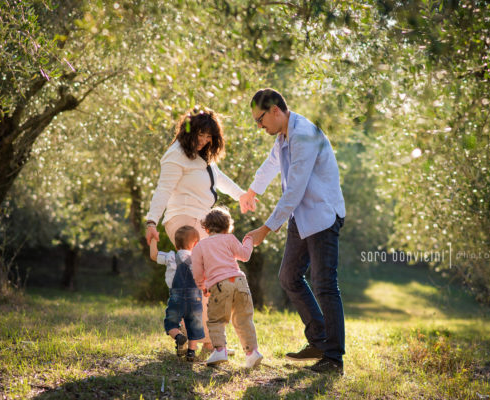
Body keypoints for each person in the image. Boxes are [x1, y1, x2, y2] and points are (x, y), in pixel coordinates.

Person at [242, 88, 346, 374]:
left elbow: (296, 189)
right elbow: (271, 165)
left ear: (276, 110)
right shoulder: (283, 136)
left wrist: (265, 229)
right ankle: (319, 340)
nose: (259, 126)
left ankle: (334, 358)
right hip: (302, 218)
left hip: (322, 216)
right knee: (289, 277)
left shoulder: (303, 135)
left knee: (325, 284)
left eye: (260, 119)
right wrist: (252, 190)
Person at [145, 107, 255, 353]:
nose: (204, 141)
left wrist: (242, 196)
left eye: (209, 137)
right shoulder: (175, 155)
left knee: (204, 280)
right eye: (201, 135)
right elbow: (162, 190)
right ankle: (206, 341)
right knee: (201, 279)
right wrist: (151, 222)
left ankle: (203, 340)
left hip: (201, 220)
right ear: (188, 130)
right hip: (183, 220)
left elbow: (220, 178)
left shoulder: (202, 156)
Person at [191, 208, 263, 369]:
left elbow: (197, 271)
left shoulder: (200, 246)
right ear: (227, 227)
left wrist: (202, 286)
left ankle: (220, 350)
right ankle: (252, 353)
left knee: (216, 319)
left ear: (207, 229)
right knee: (244, 319)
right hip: (240, 282)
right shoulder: (229, 239)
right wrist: (249, 240)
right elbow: (245, 255)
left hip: (220, 285)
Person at [150, 225, 203, 362]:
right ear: (196, 244)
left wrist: (154, 239)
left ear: (176, 243)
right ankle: (191, 352)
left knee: (171, 323)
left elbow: (153, 255)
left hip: (176, 297)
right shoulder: (198, 259)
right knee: (194, 324)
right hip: (195, 297)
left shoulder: (170, 256)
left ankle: (179, 336)